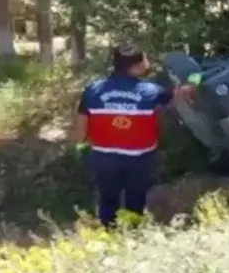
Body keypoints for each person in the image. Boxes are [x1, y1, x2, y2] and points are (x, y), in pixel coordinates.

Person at [74, 43, 199, 227]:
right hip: (138, 159)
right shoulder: (151, 91)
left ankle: (109, 233)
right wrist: (195, 81)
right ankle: (133, 233)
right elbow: (183, 95)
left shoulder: (93, 90)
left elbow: (82, 124)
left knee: (108, 200)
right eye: (145, 59)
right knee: (135, 200)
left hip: (103, 157)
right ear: (136, 66)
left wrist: (81, 146)